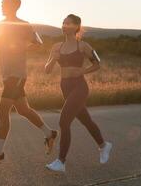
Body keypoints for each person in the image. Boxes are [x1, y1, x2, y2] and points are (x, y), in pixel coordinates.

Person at [0, 0, 58, 165]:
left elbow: (38, 43)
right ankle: (49, 133)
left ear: (14, 5)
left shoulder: (23, 25)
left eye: (4, 3)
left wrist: (21, 48)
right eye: (1, 2)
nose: (1, 5)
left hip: (17, 74)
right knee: (23, 110)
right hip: (7, 73)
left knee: (2, 111)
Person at [44, 14, 112, 172]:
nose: (64, 25)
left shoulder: (83, 46)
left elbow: (97, 64)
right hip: (65, 86)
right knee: (86, 120)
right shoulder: (56, 47)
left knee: (64, 122)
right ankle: (103, 145)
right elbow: (47, 70)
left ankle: (61, 161)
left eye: (68, 23)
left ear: (76, 27)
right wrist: (53, 60)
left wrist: (83, 70)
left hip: (79, 87)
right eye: (63, 23)